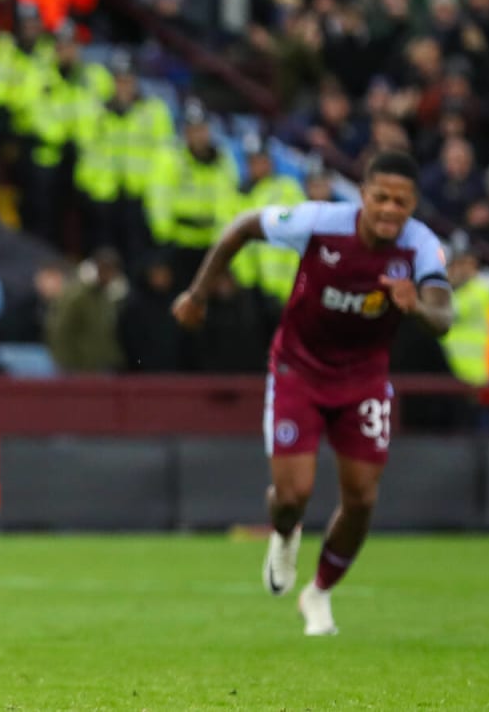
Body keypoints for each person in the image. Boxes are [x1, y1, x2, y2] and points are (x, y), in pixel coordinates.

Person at [172, 150, 453, 637]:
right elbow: (241, 227)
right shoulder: (321, 223)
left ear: (413, 205)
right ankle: (284, 535)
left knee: (362, 498)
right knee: (292, 495)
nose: (390, 209)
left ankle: (319, 593)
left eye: (401, 202)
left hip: (364, 380)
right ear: (362, 195)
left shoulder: (422, 247)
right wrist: (197, 296)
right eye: (381, 198)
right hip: (298, 370)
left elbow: (444, 318)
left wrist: (418, 308)